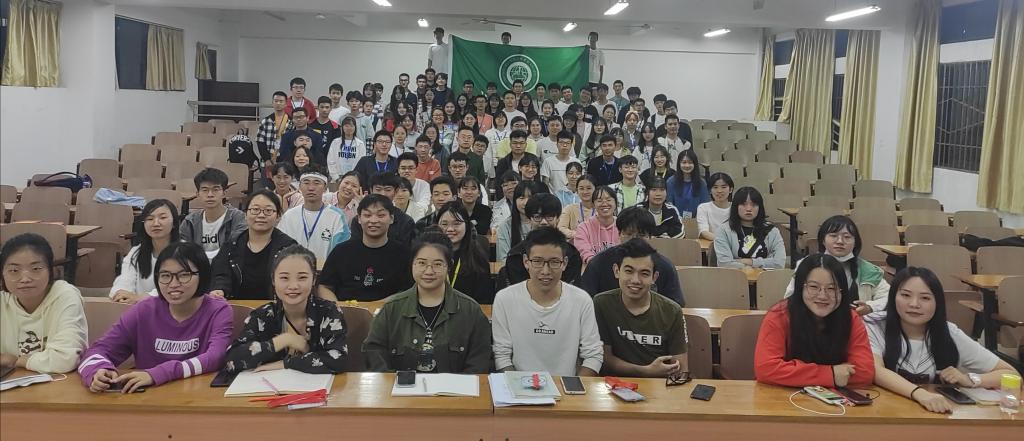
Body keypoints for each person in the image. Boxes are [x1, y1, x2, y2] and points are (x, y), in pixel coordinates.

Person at [79, 242, 233, 393]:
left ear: (202, 275)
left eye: (184, 275)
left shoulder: (218, 310)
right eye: (165, 276)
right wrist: (98, 370)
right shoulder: (143, 311)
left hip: (198, 397)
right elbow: (98, 350)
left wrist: (157, 374)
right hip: (148, 399)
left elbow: (216, 357)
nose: (173, 284)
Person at [864, 267, 1020, 413]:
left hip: (935, 414)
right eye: (905, 295)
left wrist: (969, 379)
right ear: (893, 297)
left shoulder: (950, 333)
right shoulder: (874, 325)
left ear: (937, 303)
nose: (914, 304)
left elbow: (1011, 374)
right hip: (884, 411)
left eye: (925, 298)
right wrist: (920, 394)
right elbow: (877, 370)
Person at [364, 230, 492, 373]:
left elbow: (479, 361)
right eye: (421, 263)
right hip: (400, 386)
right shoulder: (391, 309)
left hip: (455, 387)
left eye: (437, 264)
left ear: (449, 266)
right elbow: (374, 351)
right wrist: (393, 381)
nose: (429, 271)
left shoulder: (471, 311)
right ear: (412, 264)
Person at [492, 227, 604, 376]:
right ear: (526, 261)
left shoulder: (581, 300)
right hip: (518, 385)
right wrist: (518, 385)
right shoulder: (505, 299)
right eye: (537, 261)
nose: (545, 271)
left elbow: (593, 356)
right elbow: (501, 355)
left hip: (567, 386)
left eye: (554, 262)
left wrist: (573, 387)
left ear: (564, 263)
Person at [753, 254, 875, 388]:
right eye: (813, 287)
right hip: (782, 395)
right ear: (800, 287)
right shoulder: (779, 315)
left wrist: (792, 372)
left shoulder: (851, 318)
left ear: (842, 291)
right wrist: (831, 374)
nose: (822, 296)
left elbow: (865, 372)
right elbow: (766, 369)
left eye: (832, 288)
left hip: (836, 398)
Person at [224, 245, 349, 374]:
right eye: (284, 278)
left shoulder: (329, 311)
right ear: (273, 280)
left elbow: (338, 360)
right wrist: (283, 340)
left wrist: (286, 364)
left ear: (314, 280)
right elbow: (232, 360)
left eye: (302, 277)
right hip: (268, 384)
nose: (293, 286)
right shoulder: (262, 315)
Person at [594, 239, 688, 377]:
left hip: (660, 385)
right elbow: (605, 359)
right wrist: (646, 371)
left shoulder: (672, 311)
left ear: (654, 277)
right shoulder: (601, 304)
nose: (635, 280)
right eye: (629, 271)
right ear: (616, 271)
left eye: (644, 273)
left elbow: (680, 369)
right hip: (614, 384)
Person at [0, 234, 87, 373]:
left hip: (62, 383)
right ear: (3, 274)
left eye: (36, 269)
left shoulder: (65, 295)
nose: (25, 279)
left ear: (51, 271)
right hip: (12, 382)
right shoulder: (2, 301)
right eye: (14, 271)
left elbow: (66, 359)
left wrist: (16, 361)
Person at [784, 216, 890, 314]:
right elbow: (790, 297)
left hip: (856, 323)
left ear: (855, 243)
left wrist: (870, 307)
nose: (840, 241)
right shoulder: (807, 265)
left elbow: (889, 297)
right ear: (823, 240)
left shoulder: (868, 270)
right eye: (833, 236)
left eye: (847, 237)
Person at [581, 207, 684, 305]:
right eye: (629, 234)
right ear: (619, 234)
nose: (634, 240)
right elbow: (585, 302)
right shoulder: (598, 263)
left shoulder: (665, 266)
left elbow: (675, 305)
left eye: (641, 235)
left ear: (650, 236)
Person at [319, 195, 414, 302]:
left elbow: (409, 290)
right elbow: (324, 286)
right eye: (367, 215)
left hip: (387, 311)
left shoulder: (403, 254)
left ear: (391, 218)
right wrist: (338, 308)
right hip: (345, 310)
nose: (373, 220)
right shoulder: (341, 251)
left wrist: (379, 306)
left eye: (381, 215)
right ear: (359, 218)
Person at [209, 189, 297, 301]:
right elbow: (220, 274)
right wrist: (220, 289)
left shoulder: (288, 247)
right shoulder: (233, 244)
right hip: (235, 306)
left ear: (278, 217)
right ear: (245, 214)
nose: (261, 215)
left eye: (268, 210)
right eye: (255, 209)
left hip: (275, 306)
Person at [278, 164, 350, 263]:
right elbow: (280, 248)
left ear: (325, 187)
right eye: (306, 183)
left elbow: (342, 251)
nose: (311, 188)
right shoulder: (289, 216)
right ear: (299, 187)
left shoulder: (337, 216)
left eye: (317, 183)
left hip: (326, 271)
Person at [110, 199, 179, 304]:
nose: (156, 223)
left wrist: (143, 298)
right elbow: (125, 279)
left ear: (174, 222)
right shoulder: (136, 251)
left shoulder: (185, 252)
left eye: (163, 218)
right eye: (150, 219)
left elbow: (178, 287)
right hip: (140, 308)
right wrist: (121, 293)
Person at [179, 168, 247, 257]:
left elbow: (237, 249)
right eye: (205, 190)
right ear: (197, 194)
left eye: (215, 189)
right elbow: (183, 251)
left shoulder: (238, 218)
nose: (210, 195)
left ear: (224, 193)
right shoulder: (190, 221)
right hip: (197, 265)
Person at [714, 187, 787, 270]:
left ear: (760, 207)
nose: (748, 209)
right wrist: (763, 263)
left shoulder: (772, 231)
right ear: (736, 206)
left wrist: (749, 262)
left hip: (765, 277)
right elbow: (724, 264)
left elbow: (779, 263)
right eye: (743, 204)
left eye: (754, 205)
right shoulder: (723, 230)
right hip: (734, 277)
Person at [349, 172, 418, 246]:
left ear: (396, 191)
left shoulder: (406, 222)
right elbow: (354, 246)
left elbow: (407, 249)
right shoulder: (359, 220)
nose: (383, 194)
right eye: (378, 189)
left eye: (388, 190)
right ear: (371, 190)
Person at [496, 181, 543, 262]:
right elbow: (503, 259)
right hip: (513, 268)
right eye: (521, 198)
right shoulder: (505, 226)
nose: (526, 202)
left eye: (530, 197)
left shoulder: (544, 223)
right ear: (515, 201)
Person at [574, 186, 619, 264]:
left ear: (615, 203)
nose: (604, 204)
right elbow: (584, 251)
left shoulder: (622, 226)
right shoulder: (583, 228)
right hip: (592, 268)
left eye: (608, 200)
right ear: (593, 205)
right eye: (599, 200)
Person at [665, 149, 709, 218]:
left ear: (695, 164)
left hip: (697, 219)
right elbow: (669, 205)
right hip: (676, 220)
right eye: (684, 162)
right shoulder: (671, 182)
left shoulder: (702, 183)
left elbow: (704, 205)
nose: (687, 165)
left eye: (690, 162)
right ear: (679, 164)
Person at [557, 174, 597, 240]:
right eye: (581, 188)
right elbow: (561, 228)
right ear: (577, 191)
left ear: (595, 190)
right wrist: (578, 235)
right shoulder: (569, 209)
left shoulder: (601, 209)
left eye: (589, 188)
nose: (585, 192)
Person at [257, 91, 292, 164]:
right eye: (276, 101)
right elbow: (260, 142)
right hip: (268, 161)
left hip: (286, 162)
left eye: (281, 101)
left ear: (286, 104)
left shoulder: (291, 122)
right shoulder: (265, 121)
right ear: (272, 103)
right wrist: (266, 159)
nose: (278, 103)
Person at [696, 172, 733, 241]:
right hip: (711, 244)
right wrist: (724, 241)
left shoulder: (736, 207)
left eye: (723, 187)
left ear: (730, 189)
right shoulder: (703, 208)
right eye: (715, 187)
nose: (719, 191)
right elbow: (704, 232)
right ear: (710, 190)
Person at [326, 116, 365, 180]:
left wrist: (355, 177)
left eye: (351, 126)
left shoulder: (360, 144)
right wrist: (336, 177)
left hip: (354, 177)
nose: (349, 128)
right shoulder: (335, 142)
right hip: (338, 177)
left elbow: (362, 163)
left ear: (355, 127)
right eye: (346, 126)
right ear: (342, 128)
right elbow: (330, 161)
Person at [309, 96, 341, 161]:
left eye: (327, 107)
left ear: (331, 108)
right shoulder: (309, 125)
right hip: (311, 160)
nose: (324, 110)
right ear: (318, 108)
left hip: (328, 161)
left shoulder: (335, 127)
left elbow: (336, 147)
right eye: (322, 107)